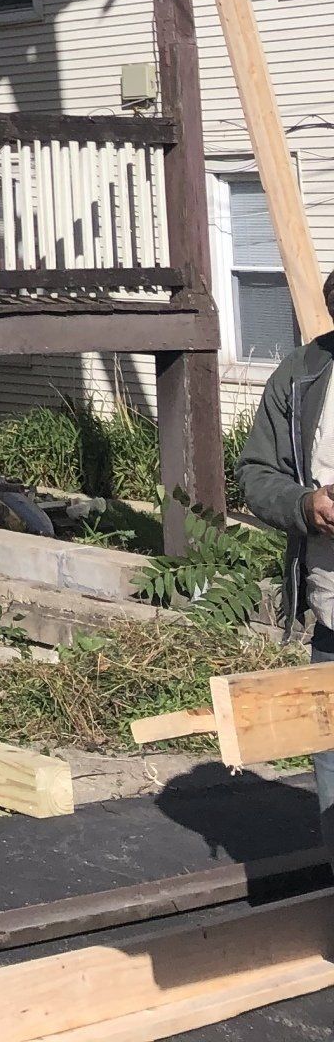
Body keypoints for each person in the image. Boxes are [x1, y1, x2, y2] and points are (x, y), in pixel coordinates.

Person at [233, 267, 334, 854]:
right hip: (333, 610)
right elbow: (255, 473)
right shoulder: (302, 375)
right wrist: (306, 504)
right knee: (333, 772)